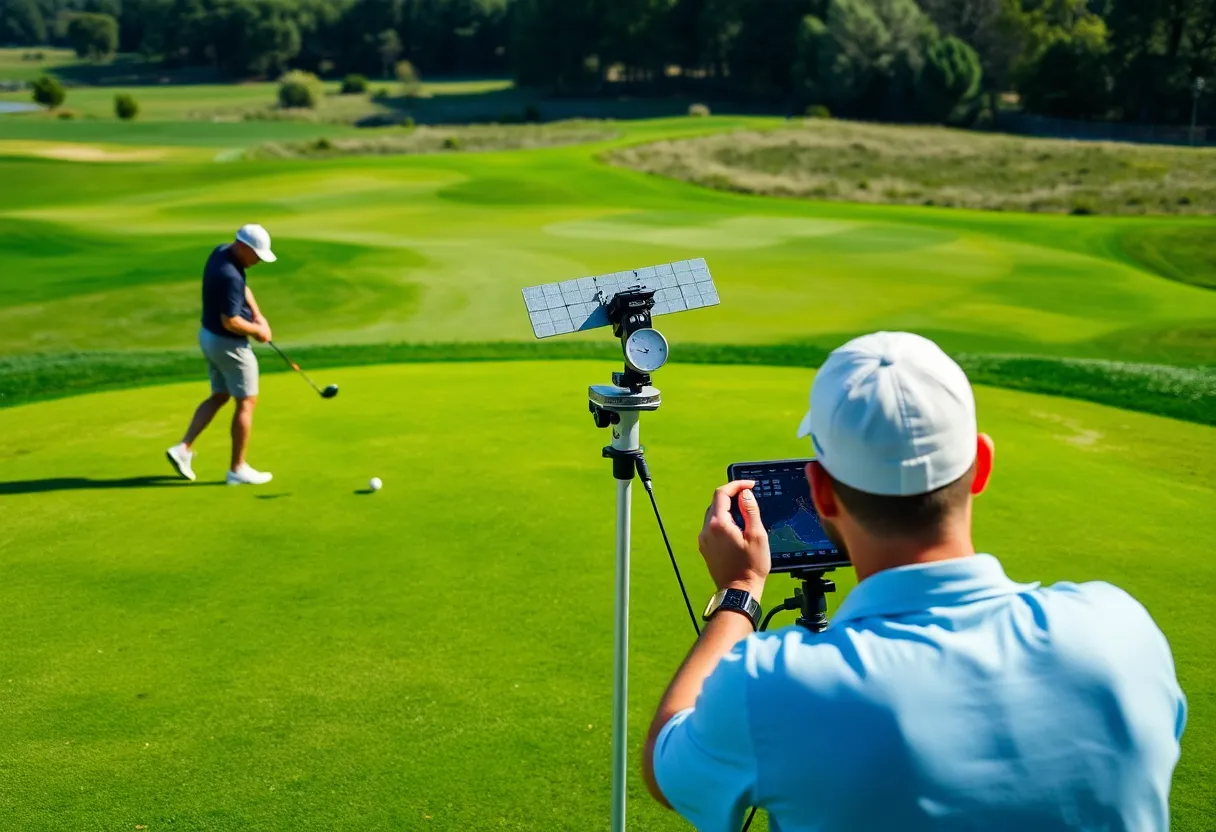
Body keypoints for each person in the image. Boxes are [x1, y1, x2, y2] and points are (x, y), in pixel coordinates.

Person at [644, 331, 1186, 832]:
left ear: (823, 494)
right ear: (981, 466)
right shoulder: (1122, 631)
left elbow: (665, 765)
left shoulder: (774, 683)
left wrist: (740, 592)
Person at [166, 224, 278, 486]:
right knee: (247, 402)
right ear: (244, 247)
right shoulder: (230, 276)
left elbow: (244, 291)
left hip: (209, 337)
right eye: (257, 255)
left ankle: (182, 449)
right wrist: (258, 332)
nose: (259, 260)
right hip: (229, 344)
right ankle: (237, 469)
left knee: (220, 395)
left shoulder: (222, 253)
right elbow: (231, 321)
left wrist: (259, 316)